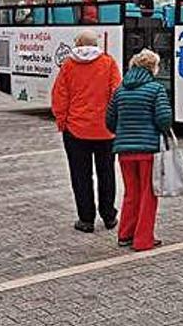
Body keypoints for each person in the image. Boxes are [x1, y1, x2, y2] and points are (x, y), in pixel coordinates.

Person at [52, 30, 123, 233]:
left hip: (76, 130)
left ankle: (86, 219)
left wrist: (62, 121)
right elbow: (116, 93)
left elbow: (60, 95)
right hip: (105, 131)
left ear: (79, 43)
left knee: (80, 176)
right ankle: (109, 216)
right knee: (107, 174)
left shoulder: (68, 65)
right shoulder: (108, 63)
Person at [106, 49, 172, 251]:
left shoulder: (120, 90)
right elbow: (164, 119)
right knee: (148, 194)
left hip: (124, 151)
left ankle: (125, 234)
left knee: (131, 193)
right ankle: (143, 240)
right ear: (152, 67)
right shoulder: (156, 89)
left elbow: (109, 121)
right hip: (147, 150)